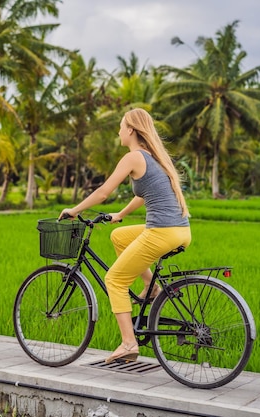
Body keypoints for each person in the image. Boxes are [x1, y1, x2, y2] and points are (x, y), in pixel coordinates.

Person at [59, 108, 191, 364]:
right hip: (181, 230)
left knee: (115, 280)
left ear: (130, 129)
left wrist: (74, 210)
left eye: (121, 127)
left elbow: (102, 192)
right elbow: (143, 194)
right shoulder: (155, 157)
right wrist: (120, 214)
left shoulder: (133, 158)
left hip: (161, 231)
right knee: (119, 236)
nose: (119, 132)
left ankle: (129, 343)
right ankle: (150, 288)